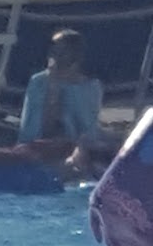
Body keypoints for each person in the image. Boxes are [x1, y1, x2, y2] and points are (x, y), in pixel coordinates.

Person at [18, 29, 103, 175]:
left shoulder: (90, 87)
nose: (55, 56)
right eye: (53, 51)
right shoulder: (38, 82)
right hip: (41, 148)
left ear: (76, 57)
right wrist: (53, 89)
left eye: (62, 52)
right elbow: (31, 132)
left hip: (75, 149)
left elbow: (87, 130)